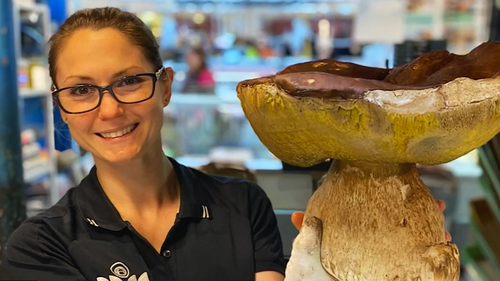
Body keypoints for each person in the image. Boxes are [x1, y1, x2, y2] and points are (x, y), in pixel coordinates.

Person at [2, 7, 450, 281]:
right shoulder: (40, 246)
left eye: (129, 81)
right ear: (61, 107)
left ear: (165, 87)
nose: (110, 110)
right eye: (81, 90)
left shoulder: (244, 206)